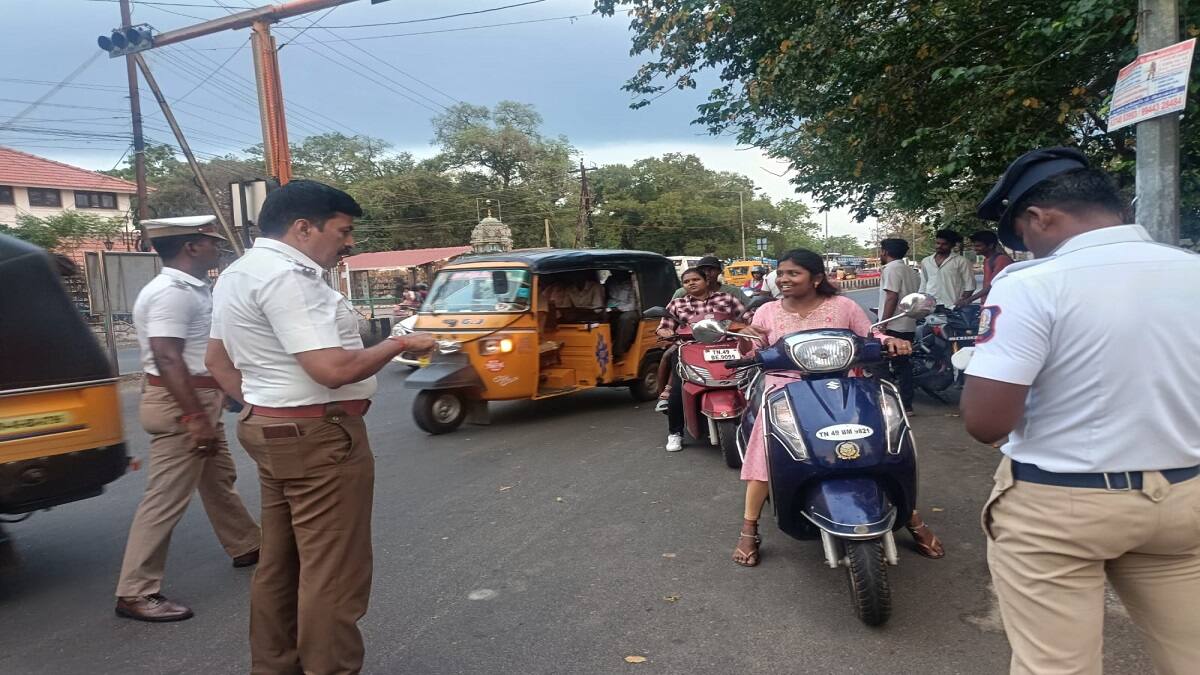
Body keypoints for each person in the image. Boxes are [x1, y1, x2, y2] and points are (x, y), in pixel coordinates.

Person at [962, 148, 1200, 675]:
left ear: (1040, 217)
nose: (1029, 250)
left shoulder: (1031, 284)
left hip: (1062, 506)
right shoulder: (1193, 271)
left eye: (1023, 238)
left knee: (1057, 667)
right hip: (1183, 498)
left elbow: (987, 423)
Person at [206, 180, 436, 673]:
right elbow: (332, 370)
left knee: (280, 565)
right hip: (321, 439)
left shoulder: (237, 273)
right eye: (343, 231)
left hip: (272, 429)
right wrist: (400, 343)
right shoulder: (292, 279)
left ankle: (275, 666)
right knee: (334, 573)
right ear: (303, 227)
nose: (349, 242)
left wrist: (268, 406)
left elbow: (216, 361)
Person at [733, 249, 943, 566]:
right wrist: (747, 338)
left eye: (794, 273)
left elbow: (869, 333)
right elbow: (753, 349)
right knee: (766, 450)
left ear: (816, 278)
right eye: (782, 273)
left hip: (848, 384)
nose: (784, 279)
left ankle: (911, 517)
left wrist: (889, 341)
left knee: (888, 444)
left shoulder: (842, 306)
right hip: (787, 388)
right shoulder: (766, 311)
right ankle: (749, 528)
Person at [115, 218, 261, 623]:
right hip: (183, 404)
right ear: (191, 247)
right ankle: (136, 591)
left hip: (200, 398)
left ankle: (247, 544)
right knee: (165, 498)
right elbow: (166, 356)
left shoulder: (191, 289)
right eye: (211, 241)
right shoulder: (171, 294)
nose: (218, 247)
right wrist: (194, 415)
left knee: (218, 478)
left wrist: (221, 396)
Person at [655, 267, 749, 452]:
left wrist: (747, 326)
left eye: (695, 279)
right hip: (691, 349)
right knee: (677, 390)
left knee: (751, 382)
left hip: (729, 347)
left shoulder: (727, 299)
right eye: (686, 281)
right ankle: (675, 433)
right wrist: (665, 331)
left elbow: (748, 317)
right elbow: (664, 326)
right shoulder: (677, 304)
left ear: (706, 280)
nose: (691, 283)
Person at [878, 238, 922, 413]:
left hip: (894, 325)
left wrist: (883, 324)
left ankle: (892, 402)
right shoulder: (910, 270)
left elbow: (892, 297)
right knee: (903, 364)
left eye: (881, 250)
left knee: (880, 364)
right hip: (908, 323)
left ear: (885, 252)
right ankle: (906, 403)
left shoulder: (891, 269)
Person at [918, 229, 975, 307]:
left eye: (944, 244)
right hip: (930, 307)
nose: (939, 246)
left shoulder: (961, 261)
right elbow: (923, 283)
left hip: (952, 307)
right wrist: (921, 301)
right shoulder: (926, 261)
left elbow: (970, 286)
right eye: (938, 243)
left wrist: (960, 302)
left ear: (952, 245)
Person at [959, 231, 1013, 307]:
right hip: (989, 304)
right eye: (974, 246)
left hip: (999, 305)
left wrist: (968, 300)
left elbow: (992, 285)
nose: (975, 249)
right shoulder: (987, 260)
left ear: (990, 245)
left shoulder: (1001, 260)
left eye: (978, 246)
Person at [672, 256, 749, 303]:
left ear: (719, 271)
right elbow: (670, 317)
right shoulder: (681, 293)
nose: (707, 273)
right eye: (703, 270)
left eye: (711, 270)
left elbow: (749, 312)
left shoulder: (733, 292)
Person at [604, 269, 638, 359]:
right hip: (613, 309)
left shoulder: (633, 282)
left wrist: (618, 309)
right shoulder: (610, 281)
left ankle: (618, 352)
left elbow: (633, 304)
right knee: (600, 317)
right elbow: (607, 298)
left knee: (625, 319)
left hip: (630, 310)